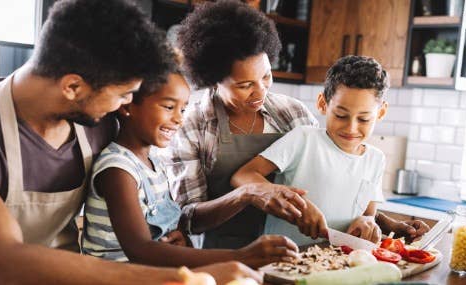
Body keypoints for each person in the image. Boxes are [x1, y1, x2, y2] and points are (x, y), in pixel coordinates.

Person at [0, 0, 259, 284]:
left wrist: (167, 234)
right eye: (124, 94)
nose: (126, 106)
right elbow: (3, 263)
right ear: (73, 87)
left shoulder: (98, 121)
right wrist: (184, 275)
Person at [81, 63, 298, 268]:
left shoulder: (153, 162)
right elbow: (140, 249)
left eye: (183, 109)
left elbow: (159, 233)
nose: (179, 119)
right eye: (168, 107)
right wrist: (240, 257)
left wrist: (178, 236)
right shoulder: (118, 170)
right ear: (127, 106)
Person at [169, 0, 319, 250]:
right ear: (214, 79)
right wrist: (247, 193)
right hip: (218, 254)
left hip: (292, 249)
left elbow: (328, 176)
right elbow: (188, 218)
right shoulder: (191, 124)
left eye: (266, 76)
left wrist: (372, 216)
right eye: (244, 85)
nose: (260, 92)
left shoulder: (293, 113)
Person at [232, 55, 398, 245]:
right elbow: (243, 176)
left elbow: (369, 213)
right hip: (283, 259)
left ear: (381, 112)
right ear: (322, 104)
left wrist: (367, 221)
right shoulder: (304, 139)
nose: (351, 128)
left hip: (336, 263)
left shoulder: (376, 159)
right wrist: (294, 202)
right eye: (341, 115)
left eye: (364, 119)